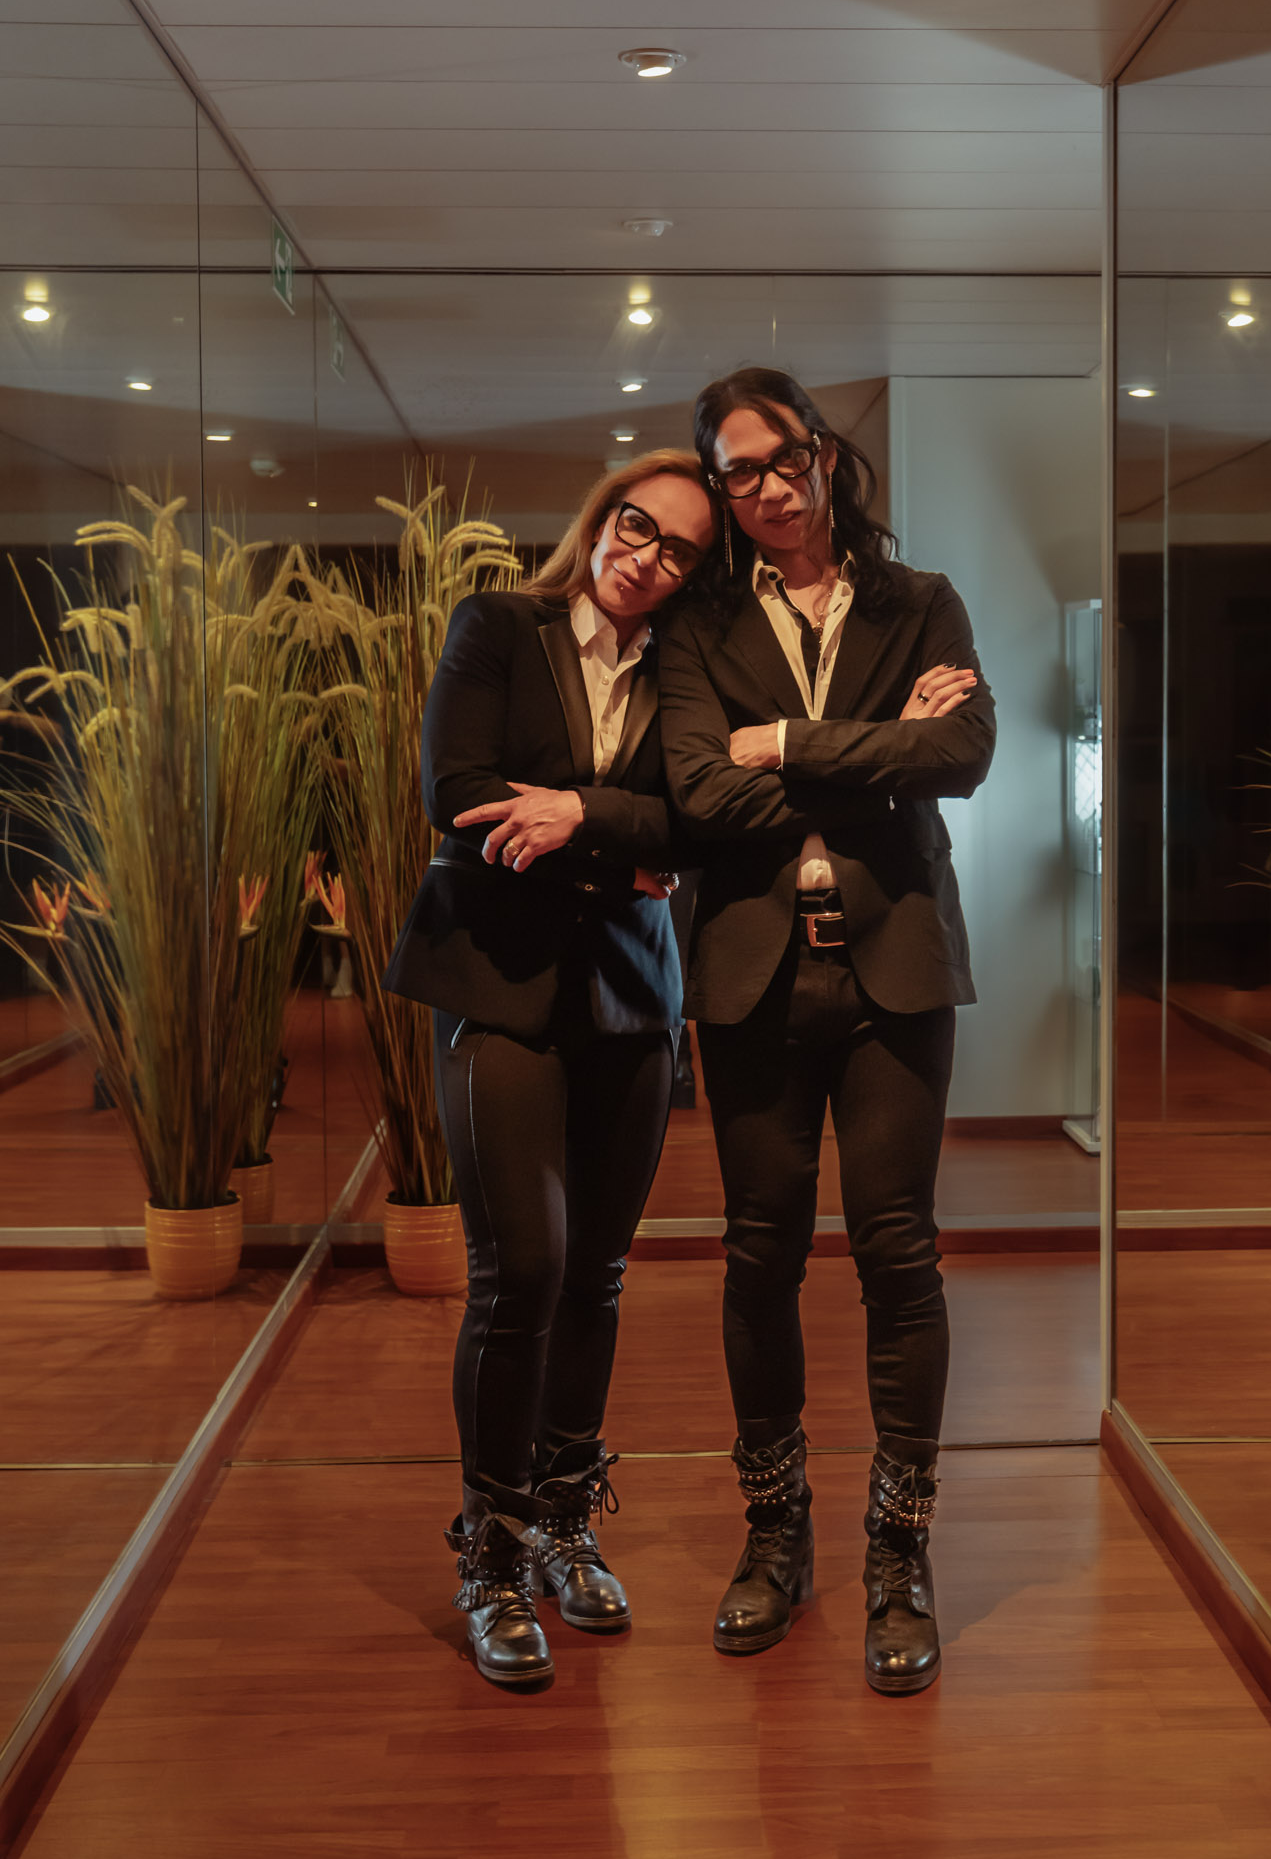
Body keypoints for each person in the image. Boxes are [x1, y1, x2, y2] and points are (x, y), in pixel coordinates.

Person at [657, 368, 995, 1695]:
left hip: (895, 967)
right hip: (751, 974)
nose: (769, 486)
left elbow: (959, 756)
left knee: (899, 1255)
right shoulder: (694, 622)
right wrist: (871, 752)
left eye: (785, 455)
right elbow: (696, 796)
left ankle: (899, 1552)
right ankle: (775, 1530)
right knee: (760, 1258)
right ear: (721, 487)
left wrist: (784, 744)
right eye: (738, 471)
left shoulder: (922, 602)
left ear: (827, 456)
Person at [384, 451, 717, 1688]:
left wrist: (579, 816)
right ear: (601, 517)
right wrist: (624, 848)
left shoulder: (688, 670)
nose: (648, 555)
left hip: (630, 996)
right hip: (496, 981)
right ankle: (492, 1552)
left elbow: (702, 817)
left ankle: (567, 1518)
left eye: (679, 548)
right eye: (638, 524)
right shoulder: (499, 627)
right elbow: (457, 793)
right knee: (520, 1267)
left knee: (598, 1274)